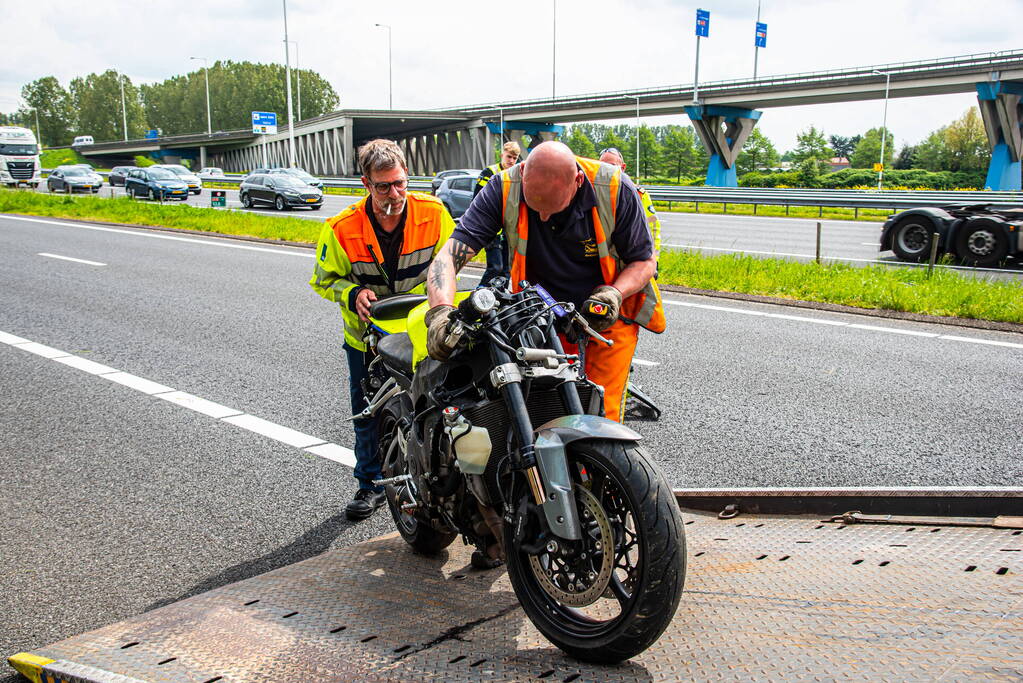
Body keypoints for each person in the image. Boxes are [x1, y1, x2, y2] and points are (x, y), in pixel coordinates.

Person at [425, 141, 665, 422]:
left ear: (577, 181)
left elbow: (644, 261)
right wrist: (440, 312)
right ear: (523, 171)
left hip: (603, 319)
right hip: (536, 318)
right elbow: (448, 258)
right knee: (537, 411)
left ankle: (595, 465)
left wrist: (614, 293)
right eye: (535, 206)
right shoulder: (503, 187)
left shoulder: (614, 188)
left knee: (600, 415)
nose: (543, 217)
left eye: (553, 208)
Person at [310, 139, 455, 521]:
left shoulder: (435, 213)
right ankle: (369, 485)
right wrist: (352, 292)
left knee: (437, 404)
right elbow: (323, 279)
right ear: (365, 184)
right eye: (383, 186)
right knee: (367, 413)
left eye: (400, 183)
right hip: (367, 339)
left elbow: (450, 265)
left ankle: (436, 480)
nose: (395, 193)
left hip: (420, 333)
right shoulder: (340, 228)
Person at [598, 147, 661, 262]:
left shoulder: (638, 194)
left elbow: (652, 228)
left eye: (611, 166)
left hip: (631, 260)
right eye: (601, 166)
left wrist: (653, 261)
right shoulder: (592, 192)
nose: (606, 171)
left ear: (622, 168)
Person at [473, 141, 521, 286]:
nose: (511, 161)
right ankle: (478, 295)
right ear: (502, 155)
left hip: (508, 227)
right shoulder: (489, 172)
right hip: (490, 227)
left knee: (506, 270)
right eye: (509, 157)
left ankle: (502, 300)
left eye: (515, 158)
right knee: (496, 267)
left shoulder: (517, 175)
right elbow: (477, 199)